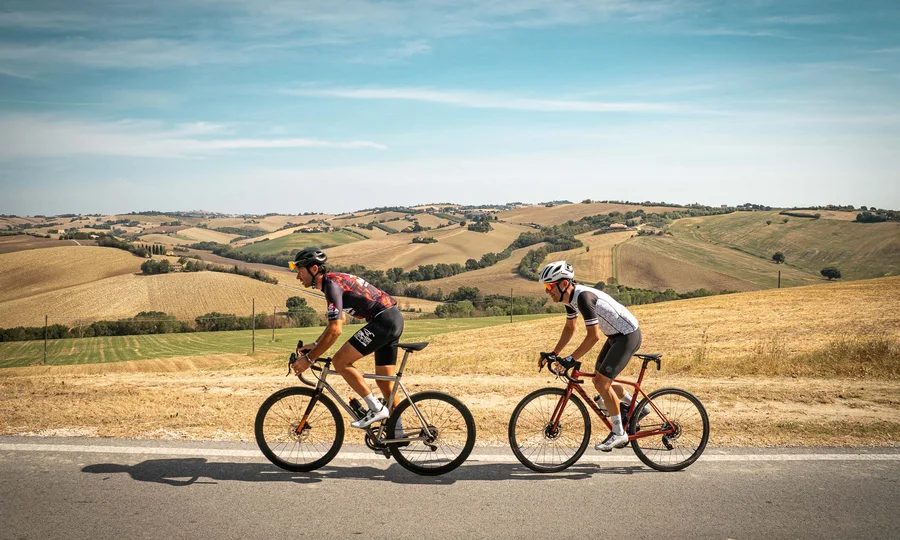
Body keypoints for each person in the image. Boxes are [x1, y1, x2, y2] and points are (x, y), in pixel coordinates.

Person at [289, 246, 405, 432]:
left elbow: (336, 330)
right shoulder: (332, 283)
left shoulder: (331, 286)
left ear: (314, 269)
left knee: (340, 361)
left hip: (384, 321)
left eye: (300, 272)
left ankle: (376, 409)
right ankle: (397, 432)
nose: (298, 277)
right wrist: (317, 345)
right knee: (384, 381)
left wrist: (309, 360)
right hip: (392, 319)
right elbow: (338, 320)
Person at [538, 260, 643, 452]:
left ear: (563, 284)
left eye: (549, 286)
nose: (547, 291)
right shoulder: (569, 300)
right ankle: (637, 406)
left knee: (603, 383)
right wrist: (555, 353)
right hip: (614, 337)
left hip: (627, 336)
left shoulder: (583, 298)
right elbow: (570, 328)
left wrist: (571, 358)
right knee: (599, 380)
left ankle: (619, 433)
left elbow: (593, 336)